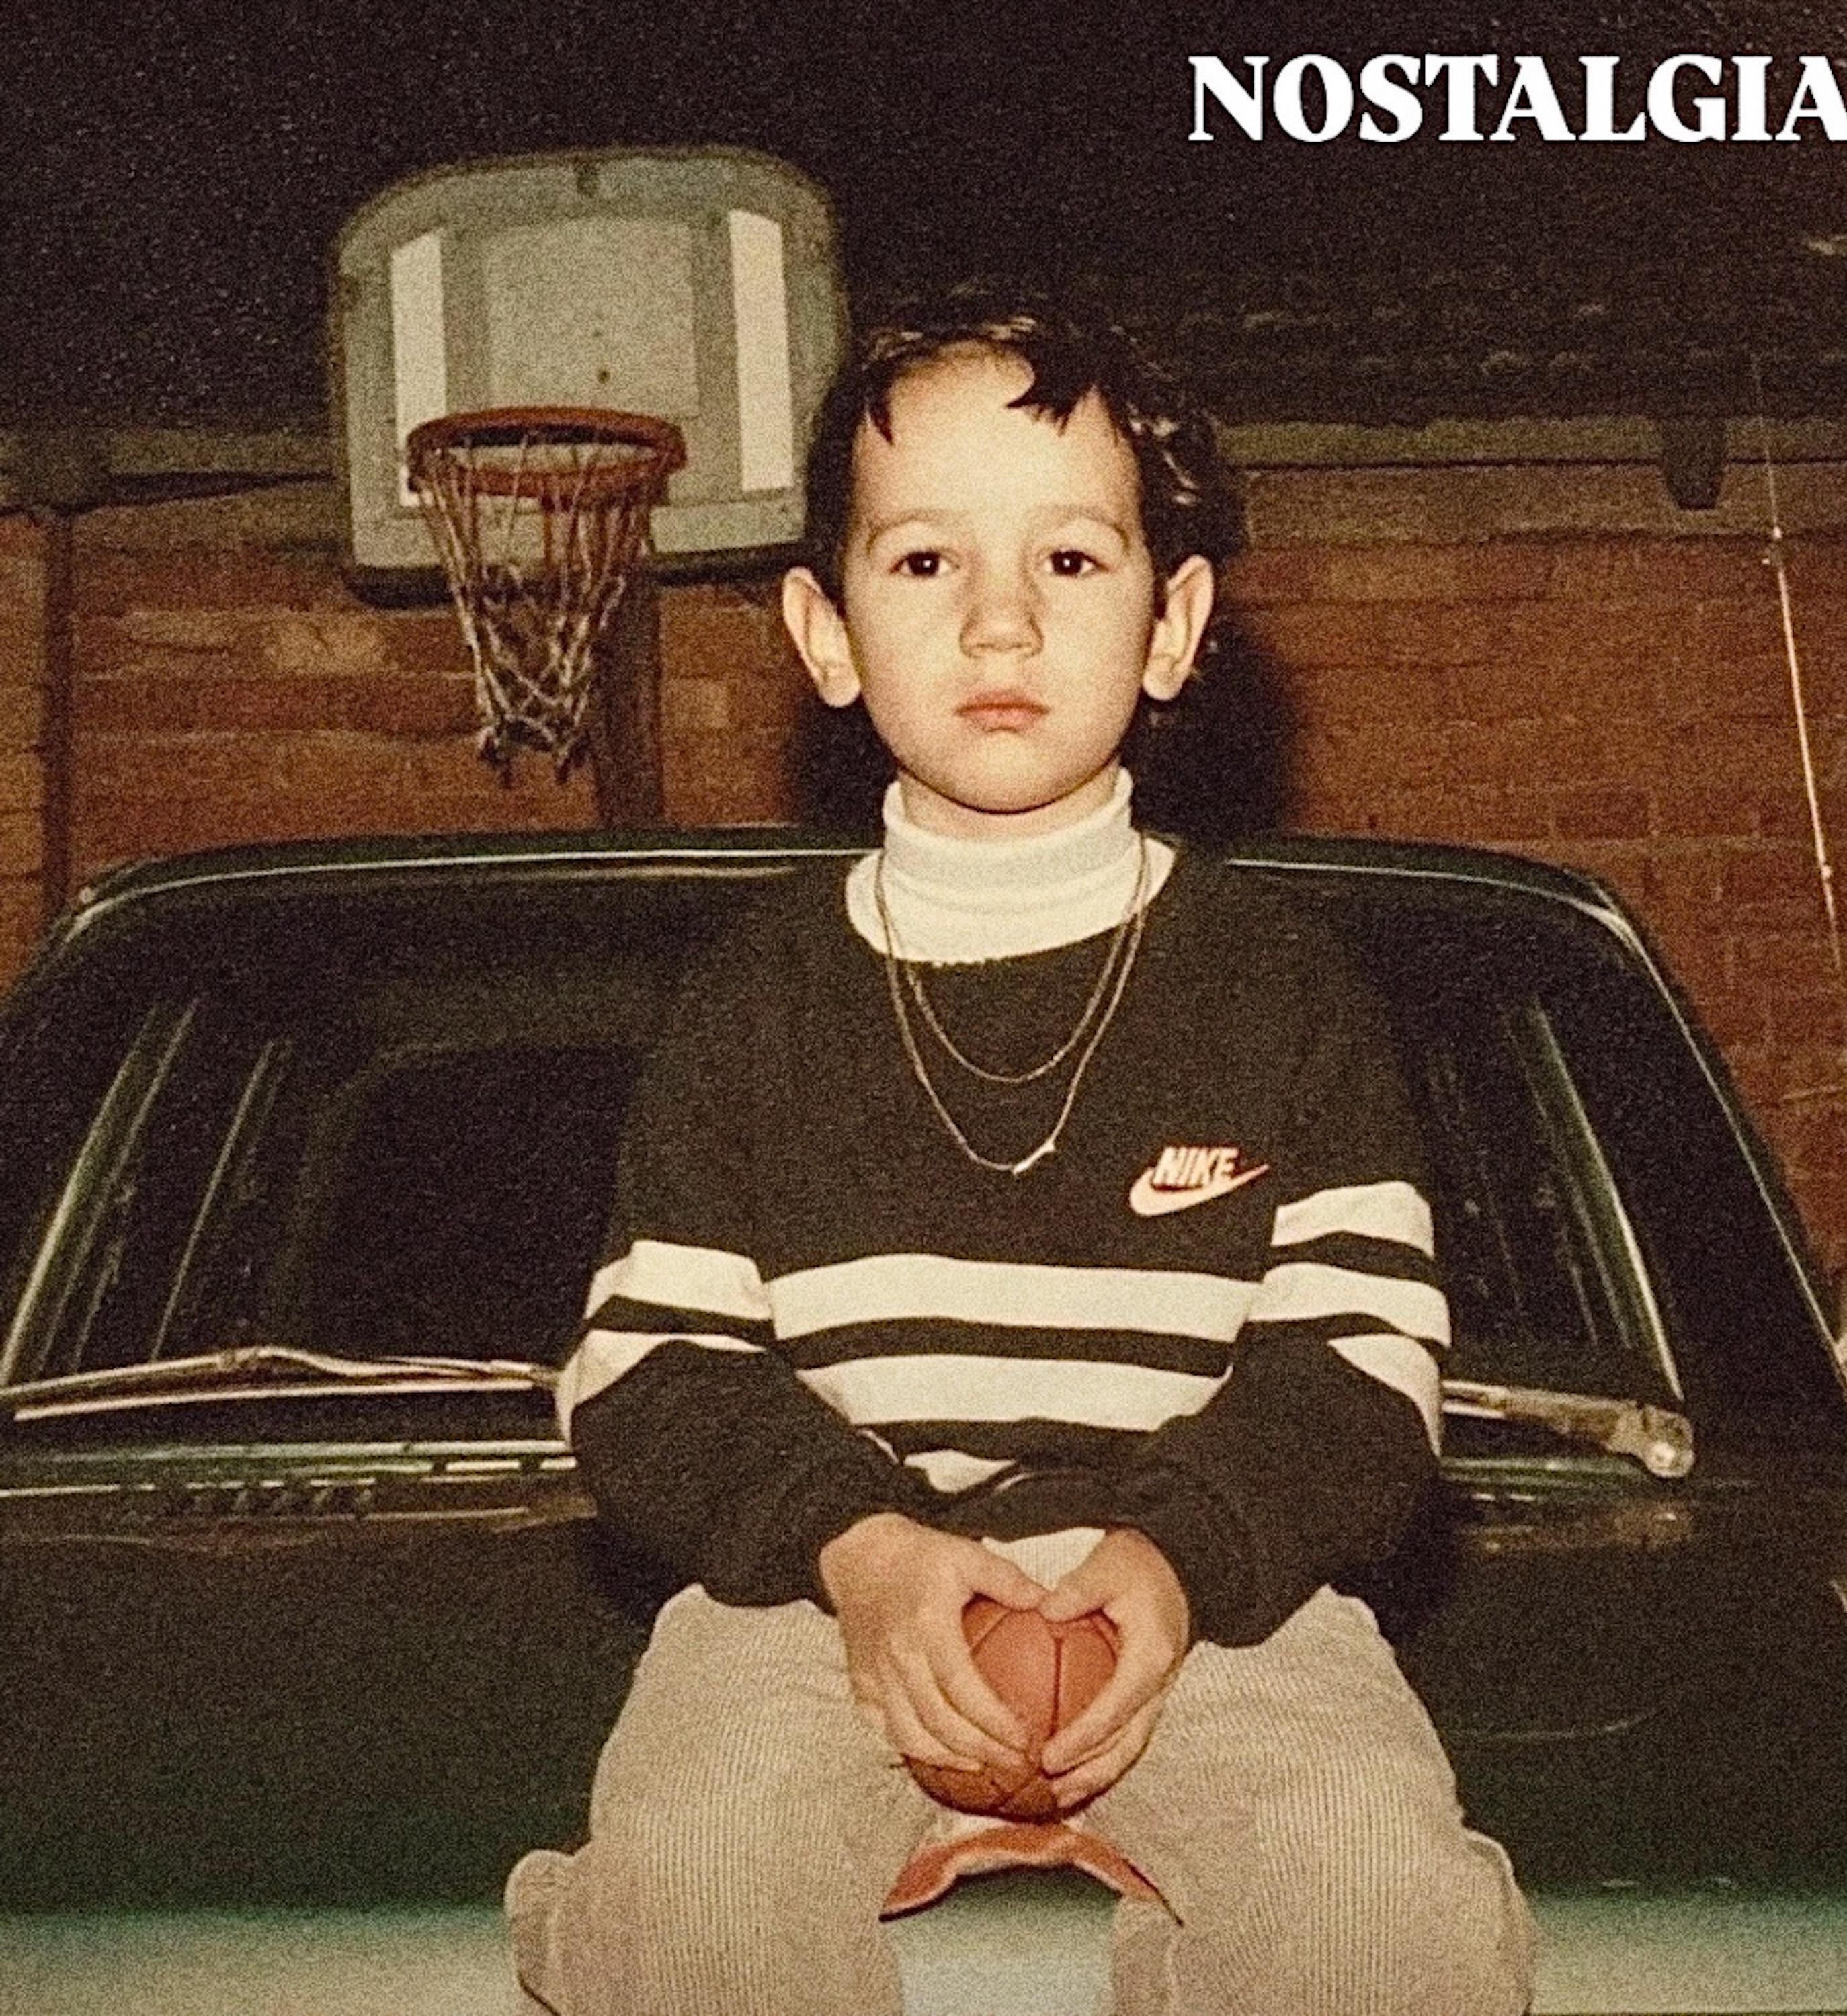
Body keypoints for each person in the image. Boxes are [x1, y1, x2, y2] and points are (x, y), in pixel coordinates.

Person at [506, 286, 1536, 2015]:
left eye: (1069, 558)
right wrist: (862, 1551)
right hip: (819, 1608)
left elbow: (1361, 1367)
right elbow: (649, 1367)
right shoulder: (753, 998)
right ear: (825, 633)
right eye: (925, 562)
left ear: (1172, 623)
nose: (1001, 621)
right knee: (686, 1890)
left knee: (1380, 1903)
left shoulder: (1281, 986)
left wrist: (1176, 1562)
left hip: (1217, 1612)